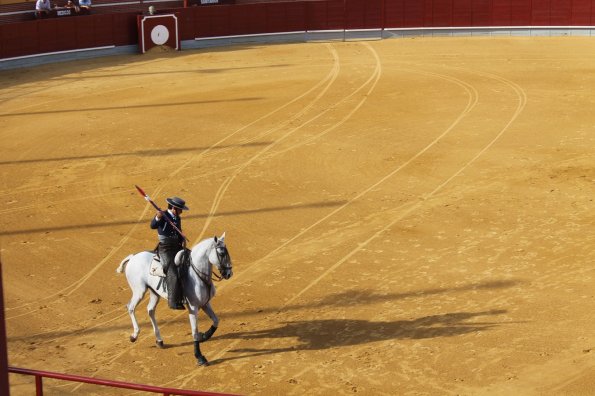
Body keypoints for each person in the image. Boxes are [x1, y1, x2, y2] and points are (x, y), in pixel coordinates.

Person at [150, 196, 188, 310]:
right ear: (173, 208)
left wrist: (182, 240)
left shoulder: (177, 218)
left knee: (188, 263)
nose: (181, 212)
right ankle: (174, 301)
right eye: (180, 209)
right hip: (165, 248)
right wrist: (157, 217)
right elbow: (152, 226)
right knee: (173, 272)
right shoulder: (163, 215)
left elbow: (178, 232)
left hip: (176, 246)